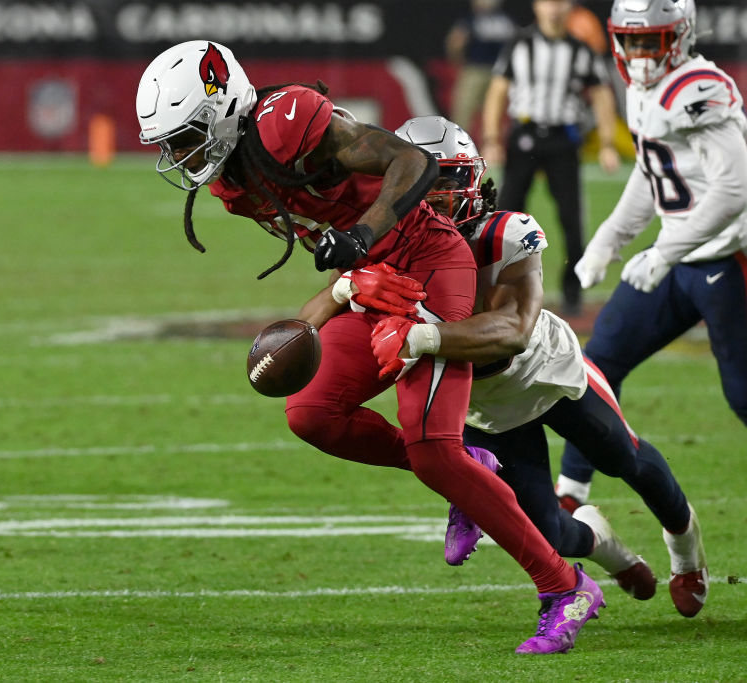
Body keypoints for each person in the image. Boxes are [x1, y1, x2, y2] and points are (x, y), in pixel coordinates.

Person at [137, 40, 603, 655]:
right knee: (311, 412)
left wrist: (361, 239)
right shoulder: (234, 184)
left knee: (433, 444)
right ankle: (470, 474)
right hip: (378, 280)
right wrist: (354, 277)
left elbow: (412, 164)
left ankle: (563, 586)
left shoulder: (287, 122)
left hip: (432, 264)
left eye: (185, 136)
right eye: (170, 144)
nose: (178, 155)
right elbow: (323, 237)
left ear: (223, 106)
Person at [377, 115, 706, 618]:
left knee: (624, 458)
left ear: (471, 180)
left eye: (443, 180)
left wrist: (419, 337)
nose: (431, 196)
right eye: (418, 181)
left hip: (546, 371)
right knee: (548, 530)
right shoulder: (387, 248)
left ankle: (688, 556)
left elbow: (512, 329)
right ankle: (612, 550)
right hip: (485, 405)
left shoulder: (505, 232)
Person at [556, 0, 741, 614]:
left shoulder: (701, 88)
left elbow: (736, 187)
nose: (638, 56)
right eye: (630, 42)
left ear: (680, 36)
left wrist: (669, 248)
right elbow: (651, 171)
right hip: (672, 259)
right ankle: (571, 491)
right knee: (593, 367)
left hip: (727, 262)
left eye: (652, 41)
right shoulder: (645, 93)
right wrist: (608, 240)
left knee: (743, 396)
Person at [482, 0, 620, 316]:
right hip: (524, 137)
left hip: (563, 140)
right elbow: (497, 91)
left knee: (572, 220)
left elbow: (601, 93)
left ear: (569, 7)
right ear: (536, 6)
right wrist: (491, 138)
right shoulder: (519, 44)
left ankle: (572, 293)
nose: (554, 9)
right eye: (548, 2)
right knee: (505, 217)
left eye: (559, 2)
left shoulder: (580, 49)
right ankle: (496, 288)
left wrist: (608, 143)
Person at [444, 0, 516, 136]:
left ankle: (489, 148)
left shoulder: (505, 19)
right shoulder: (470, 18)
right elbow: (455, 42)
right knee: (464, 112)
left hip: (498, 73)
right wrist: (459, 62)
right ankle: (457, 149)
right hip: (475, 69)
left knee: (493, 115)